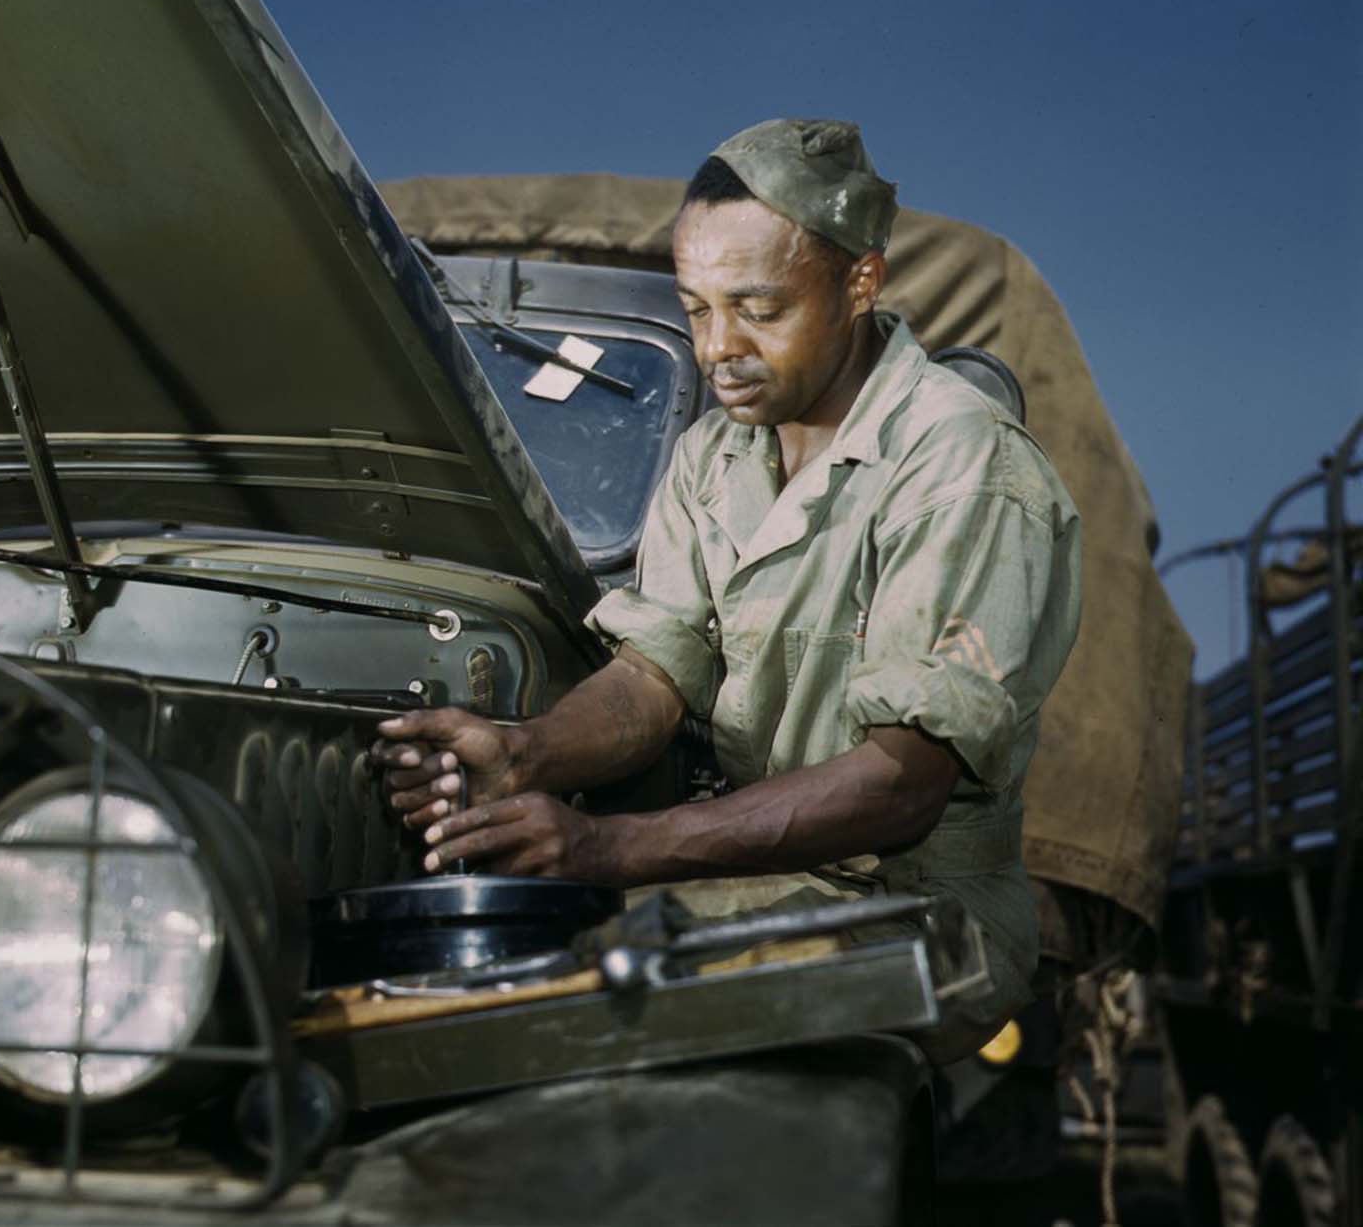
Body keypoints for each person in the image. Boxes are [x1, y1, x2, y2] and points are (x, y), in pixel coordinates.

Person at [372, 118, 1081, 1061]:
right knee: (478, 976)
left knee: (561, 1017)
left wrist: (606, 851)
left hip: (918, 913)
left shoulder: (962, 464)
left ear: (860, 283)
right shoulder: (715, 455)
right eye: (697, 309)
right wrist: (526, 751)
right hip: (761, 877)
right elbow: (654, 673)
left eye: (758, 307)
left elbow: (902, 784)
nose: (718, 348)